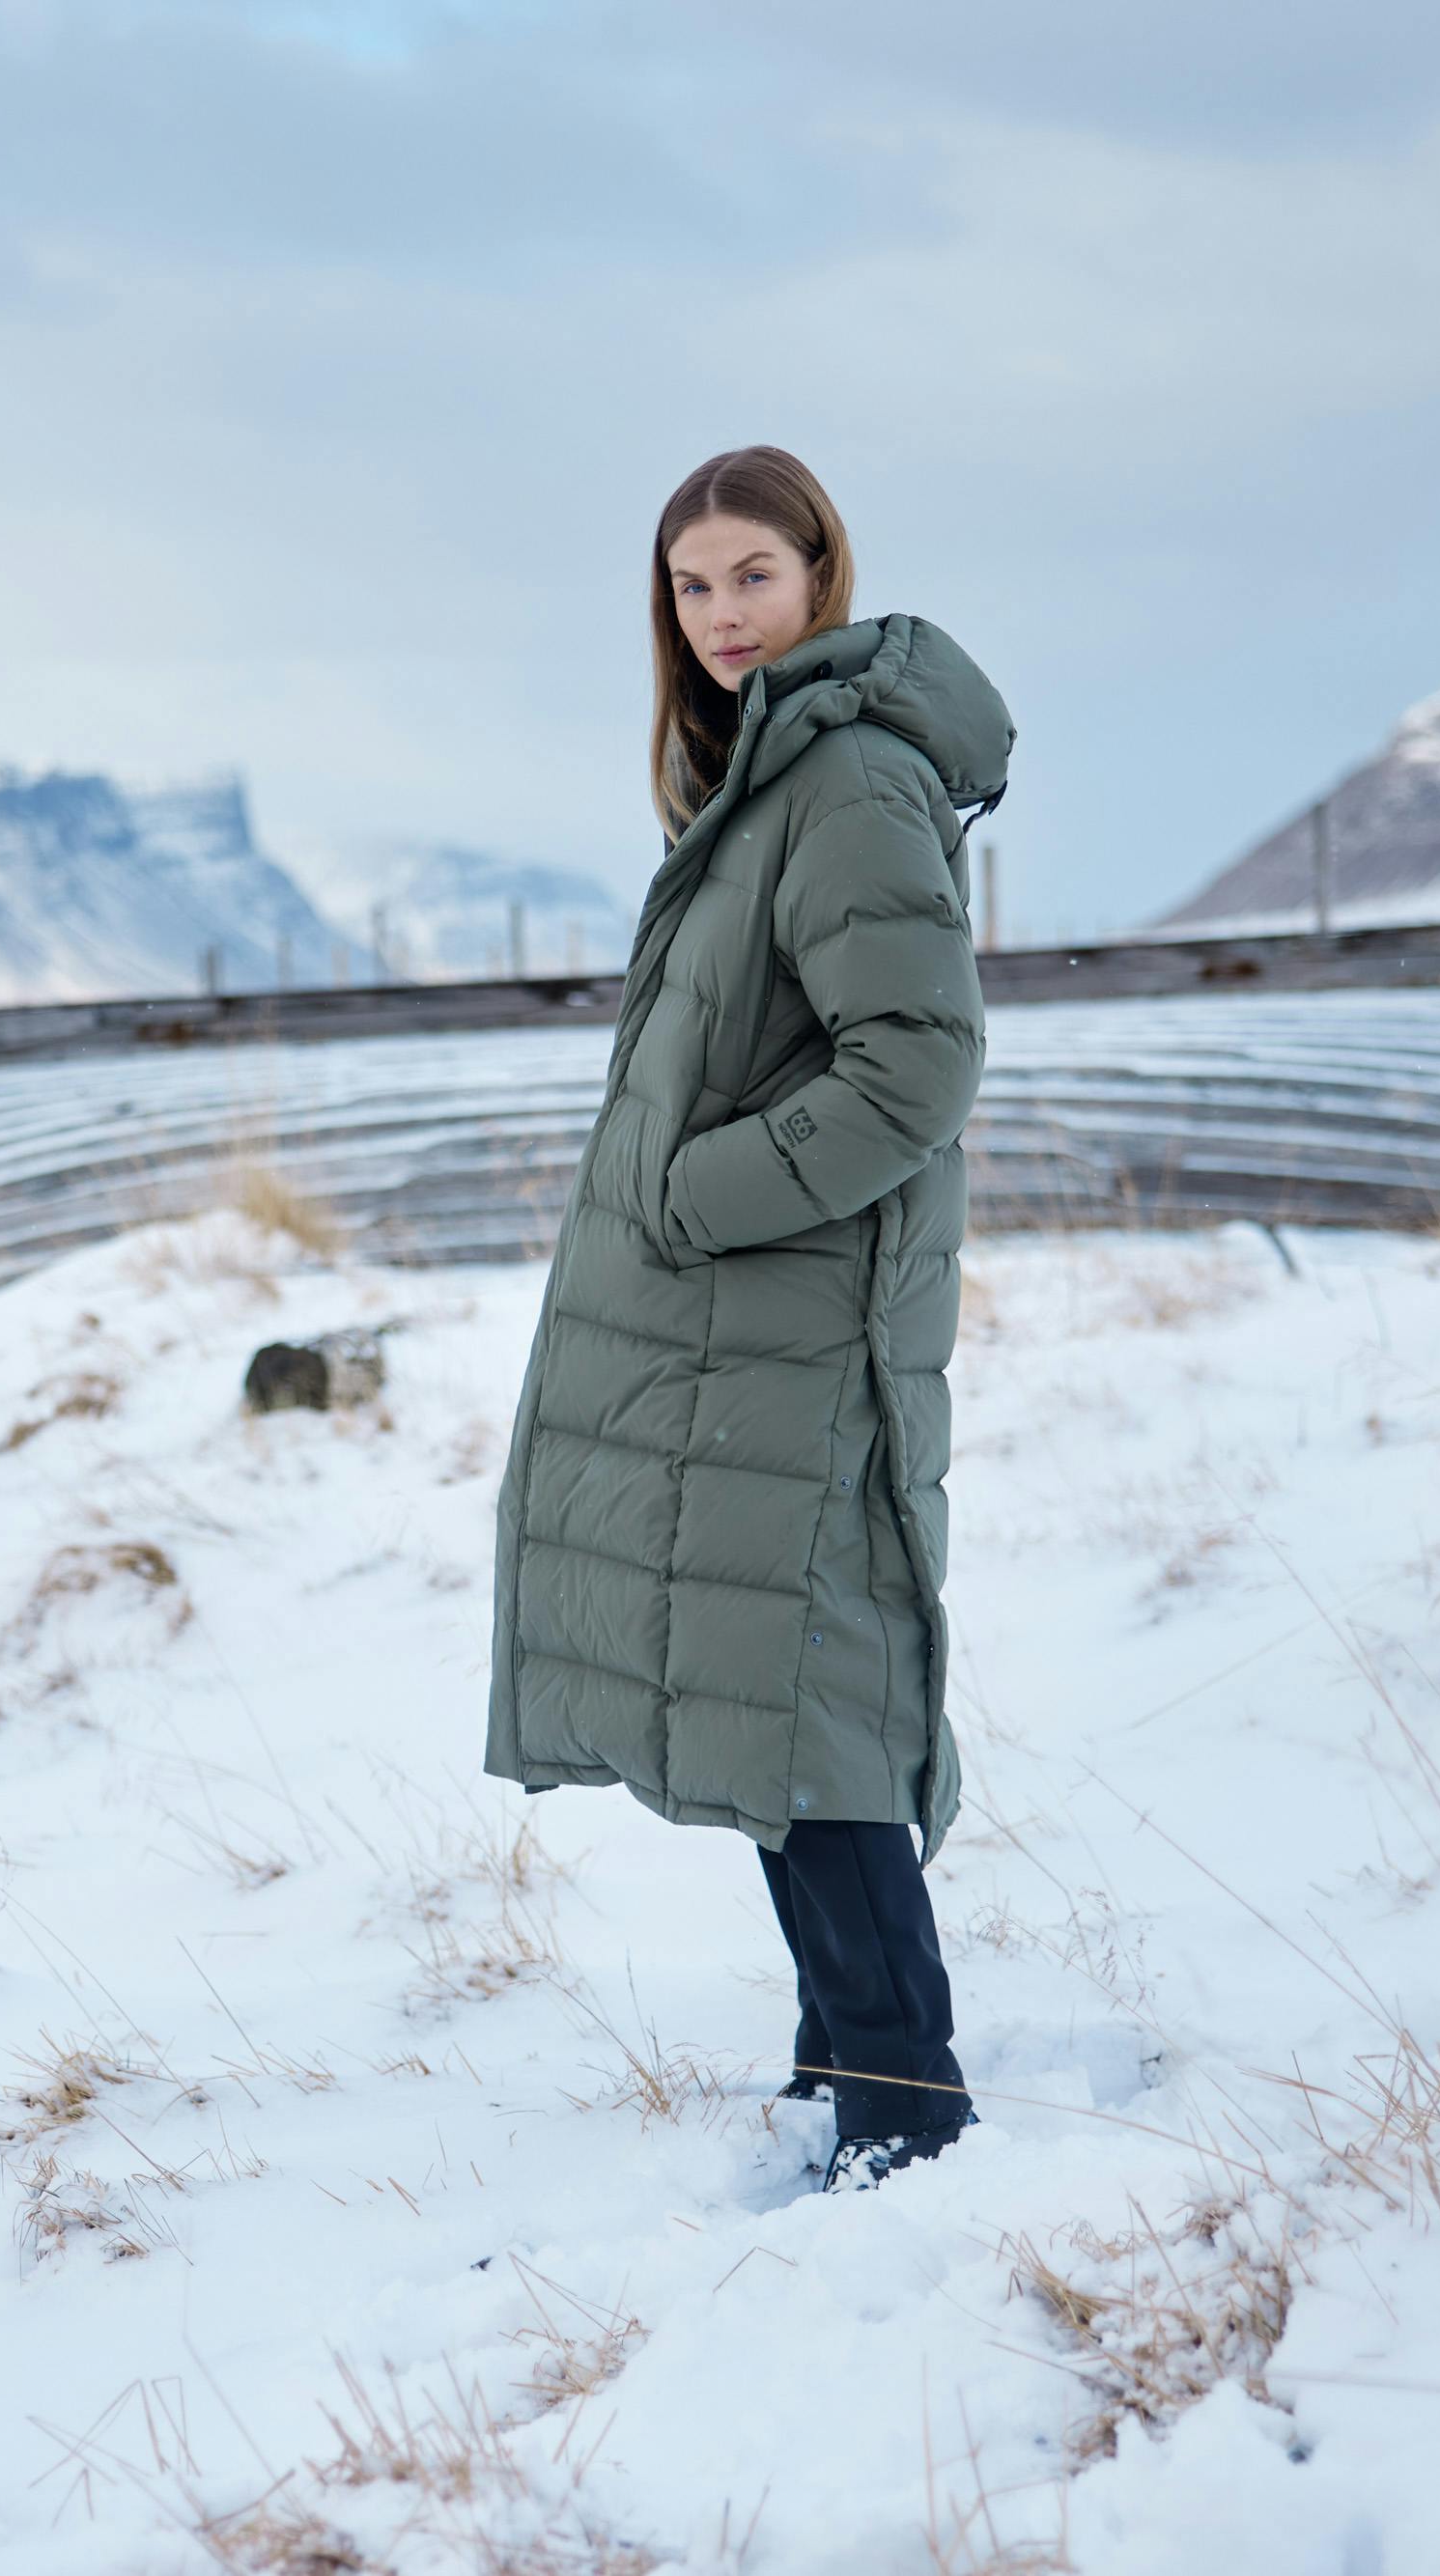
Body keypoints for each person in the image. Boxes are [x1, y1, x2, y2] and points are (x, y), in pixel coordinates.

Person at [484, 444, 1008, 2193]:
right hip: (745, 1324)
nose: (721, 614)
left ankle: (905, 2110)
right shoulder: (769, 775)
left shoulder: (847, 777)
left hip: (794, 1317)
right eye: (691, 586)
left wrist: (699, 1195)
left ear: (821, 573)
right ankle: (841, 2066)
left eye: (752, 577)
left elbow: (915, 1065)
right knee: (765, 1683)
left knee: (809, 1692)